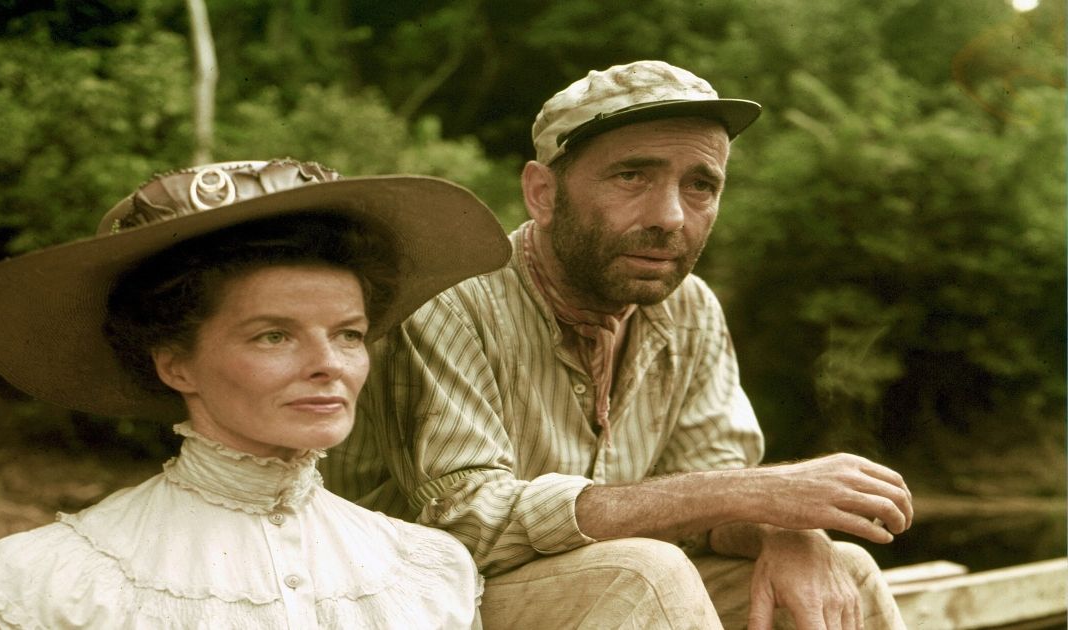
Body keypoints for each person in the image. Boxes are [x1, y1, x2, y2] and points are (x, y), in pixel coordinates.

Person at [321, 61, 914, 628]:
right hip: (416, 601)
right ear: (543, 194)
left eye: (700, 184)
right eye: (632, 176)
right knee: (641, 574)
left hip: (592, 599)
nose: (671, 217)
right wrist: (752, 493)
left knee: (846, 570)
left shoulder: (689, 308)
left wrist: (789, 529)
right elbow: (466, 523)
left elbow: (711, 494)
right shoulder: (452, 298)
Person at [0, 158, 511, 629]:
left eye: (349, 335)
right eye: (274, 335)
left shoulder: (429, 572)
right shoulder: (49, 584)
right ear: (176, 366)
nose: (328, 366)